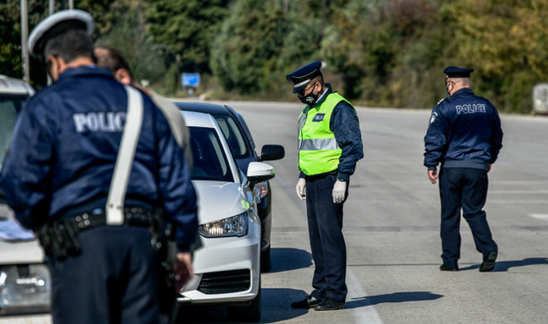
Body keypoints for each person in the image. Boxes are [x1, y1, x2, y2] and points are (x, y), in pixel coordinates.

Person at [0, 10, 198, 323]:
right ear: (88, 52)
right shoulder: (139, 103)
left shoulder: (46, 104)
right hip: (141, 245)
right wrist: (184, 244)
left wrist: (40, 224)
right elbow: (177, 182)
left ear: (55, 61)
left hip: (77, 249)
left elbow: (16, 182)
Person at [286, 61, 363, 311]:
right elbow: (309, 147)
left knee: (330, 238)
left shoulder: (338, 108)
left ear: (317, 85)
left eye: (303, 91)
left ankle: (335, 294)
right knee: (317, 239)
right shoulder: (309, 110)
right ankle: (320, 290)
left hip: (331, 180)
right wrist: (302, 175)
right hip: (313, 180)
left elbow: (352, 146)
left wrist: (343, 178)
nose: (300, 96)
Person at [424, 66, 503, 272]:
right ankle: (488, 249)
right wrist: (489, 159)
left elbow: (435, 137)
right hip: (477, 167)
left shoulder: (445, 107)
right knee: (474, 211)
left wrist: (432, 163)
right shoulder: (486, 106)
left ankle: (450, 261)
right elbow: (496, 136)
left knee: (450, 214)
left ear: (451, 84)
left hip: (451, 168)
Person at [94, 46, 193, 168]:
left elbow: (174, 173)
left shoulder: (162, 112)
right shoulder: (117, 111)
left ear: (123, 77)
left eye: (100, 85)